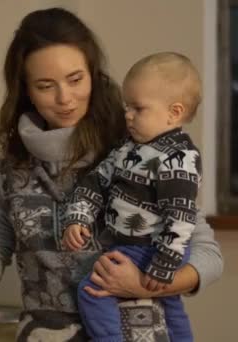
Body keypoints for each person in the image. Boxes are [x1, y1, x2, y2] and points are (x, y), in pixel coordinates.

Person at [0, 7, 223, 342]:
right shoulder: (3, 169)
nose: (65, 98)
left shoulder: (134, 150)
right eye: (45, 85)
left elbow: (207, 256)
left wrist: (140, 283)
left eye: (75, 79)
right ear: (25, 89)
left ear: (93, 76)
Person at [62, 52, 202, 342]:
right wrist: (78, 216)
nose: (128, 115)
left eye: (138, 108)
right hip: (141, 245)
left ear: (173, 113)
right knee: (171, 303)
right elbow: (96, 181)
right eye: (127, 106)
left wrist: (164, 262)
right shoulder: (128, 148)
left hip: (152, 246)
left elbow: (180, 216)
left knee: (92, 291)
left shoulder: (178, 158)